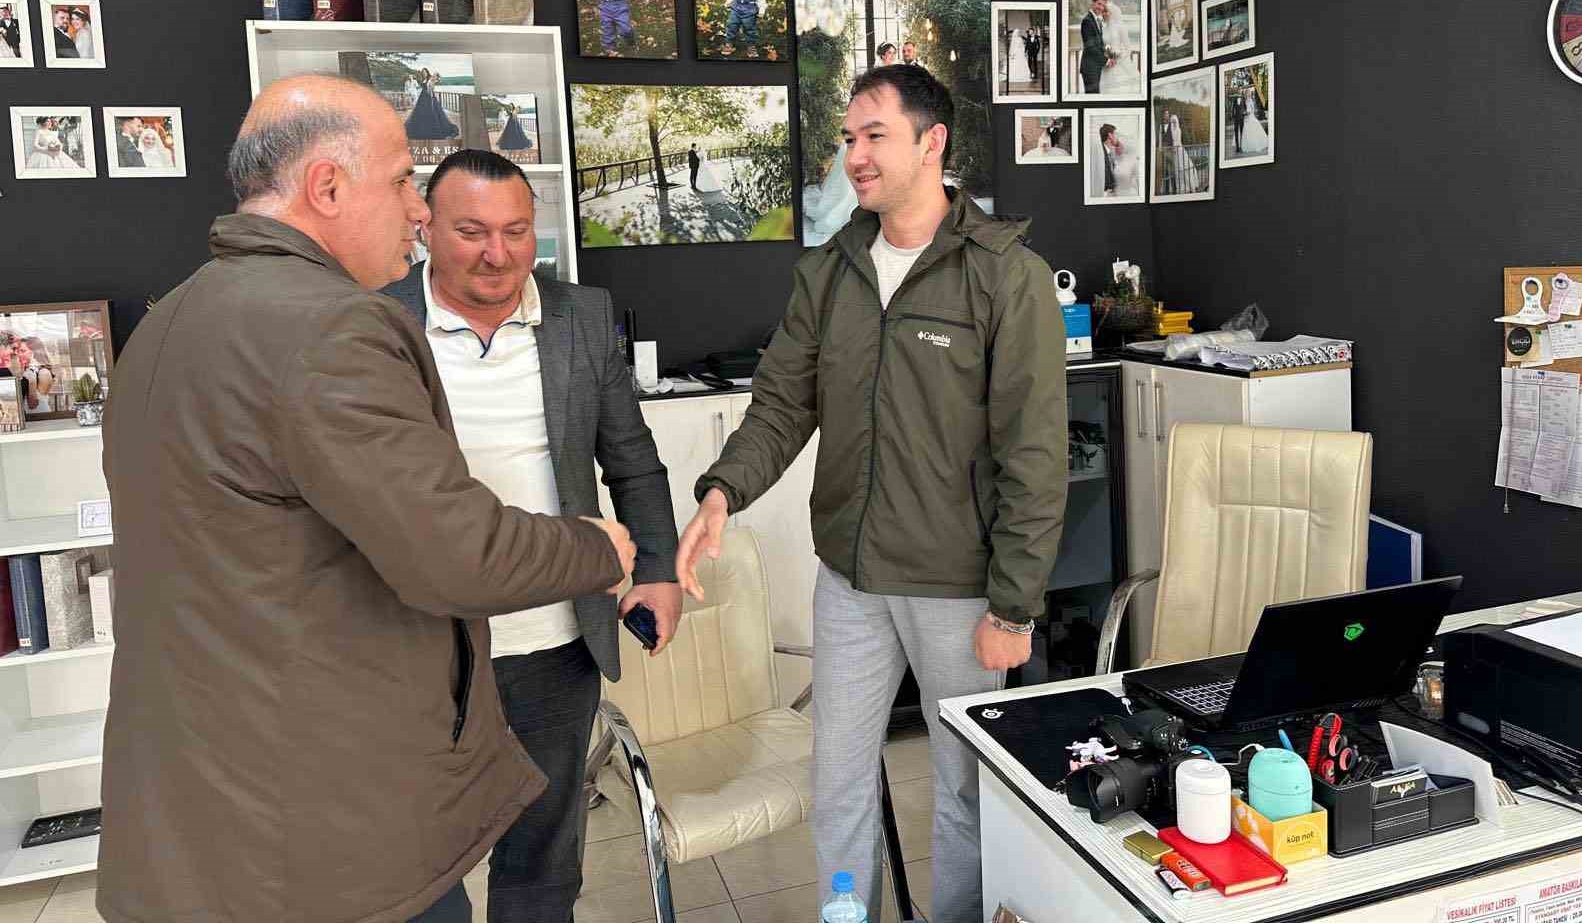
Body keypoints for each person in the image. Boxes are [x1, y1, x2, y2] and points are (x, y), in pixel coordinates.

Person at [97, 74, 637, 923]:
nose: (416, 212)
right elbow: (456, 554)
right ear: (326, 187)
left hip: (195, 809)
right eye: (401, 183)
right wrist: (601, 548)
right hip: (321, 823)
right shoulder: (332, 327)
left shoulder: (168, 322)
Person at [675, 64, 1068, 923]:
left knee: (965, 790)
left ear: (932, 143)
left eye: (874, 136)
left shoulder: (1006, 275)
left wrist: (1014, 607)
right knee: (841, 782)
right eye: (848, 138)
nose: (854, 155)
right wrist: (723, 493)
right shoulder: (830, 271)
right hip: (850, 580)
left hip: (957, 588)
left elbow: (1034, 456)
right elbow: (783, 402)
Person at [382, 148, 680, 923]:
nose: (498, 254)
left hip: (554, 644)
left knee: (543, 861)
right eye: (472, 232)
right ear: (426, 228)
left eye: (516, 231)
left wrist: (657, 570)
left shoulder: (579, 316)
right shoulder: (374, 321)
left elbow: (632, 460)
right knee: (419, 868)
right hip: (422, 648)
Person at [1079, 0, 1109, 93]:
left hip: (1096, 67)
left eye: (1103, 5)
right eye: (1099, 4)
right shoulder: (1087, 21)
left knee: (1095, 95)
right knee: (1092, 97)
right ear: (1093, 2)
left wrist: (1109, 53)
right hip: (1090, 68)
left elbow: (1099, 44)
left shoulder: (1097, 21)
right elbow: (1090, 47)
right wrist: (1106, 61)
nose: (1101, 8)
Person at [1239, 83, 1270, 155]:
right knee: (1246, 131)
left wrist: (1248, 112)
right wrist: (1244, 112)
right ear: (1245, 94)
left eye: (1248, 93)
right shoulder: (1244, 100)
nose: (1247, 94)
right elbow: (1243, 108)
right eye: (1246, 93)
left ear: (1249, 94)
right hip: (1246, 118)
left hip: (1251, 116)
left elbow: (1253, 109)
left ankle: (1256, 144)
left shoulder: (1251, 100)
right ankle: (1248, 145)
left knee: (1253, 129)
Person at [1007, 26, 1028, 90]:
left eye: (1019, 32)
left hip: (1020, 52)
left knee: (1021, 63)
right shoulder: (1014, 39)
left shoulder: (1020, 38)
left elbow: (1022, 46)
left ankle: (1022, 75)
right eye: (1017, 32)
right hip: (1016, 52)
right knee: (1016, 63)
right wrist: (1012, 54)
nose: (1018, 33)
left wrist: (1024, 51)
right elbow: (1012, 47)